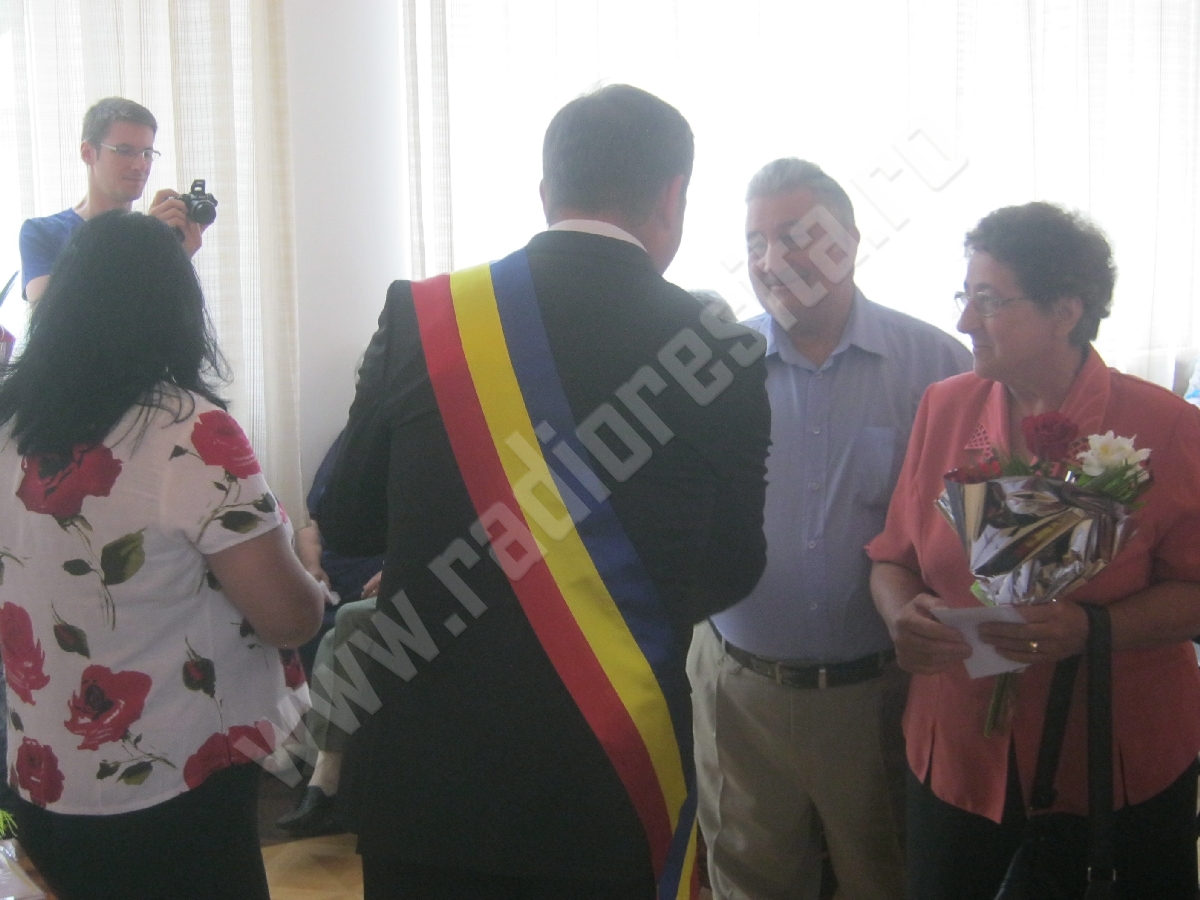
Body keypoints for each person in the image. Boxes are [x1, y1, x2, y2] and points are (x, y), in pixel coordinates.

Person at [318, 84, 771, 900]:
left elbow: (346, 518)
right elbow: (736, 563)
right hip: (611, 781)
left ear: (545, 191)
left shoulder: (425, 314)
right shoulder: (718, 350)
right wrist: (611, 612)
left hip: (427, 787)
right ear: (673, 196)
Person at [868, 201, 1200, 900]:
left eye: (989, 301)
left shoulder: (1166, 427)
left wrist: (1093, 628)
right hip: (959, 749)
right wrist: (902, 616)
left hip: (1112, 755)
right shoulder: (944, 407)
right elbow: (893, 557)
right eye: (964, 296)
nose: (965, 321)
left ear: (1065, 311)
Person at [0, 210, 324, 899]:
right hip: (176, 783)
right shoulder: (189, 431)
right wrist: (308, 564)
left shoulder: (10, 424)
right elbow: (288, 617)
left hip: (44, 775)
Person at [686, 158, 972, 900]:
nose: (769, 261)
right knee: (748, 883)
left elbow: (975, 529)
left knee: (889, 879)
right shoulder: (717, 370)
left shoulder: (939, 366)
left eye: (793, 237)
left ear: (848, 241)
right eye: (755, 243)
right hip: (739, 693)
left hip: (879, 695)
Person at [276, 429, 384, 837]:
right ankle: (310, 763)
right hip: (336, 581)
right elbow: (311, 527)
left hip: (385, 583)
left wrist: (403, 569)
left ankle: (322, 783)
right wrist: (312, 569)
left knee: (345, 627)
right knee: (295, 616)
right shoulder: (353, 440)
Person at [19, 96, 208, 305]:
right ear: (88, 153)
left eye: (147, 153)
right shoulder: (42, 232)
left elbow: (161, 317)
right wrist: (140, 241)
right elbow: (47, 309)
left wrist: (176, 258)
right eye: (124, 151)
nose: (140, 165)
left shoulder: (153, 236)